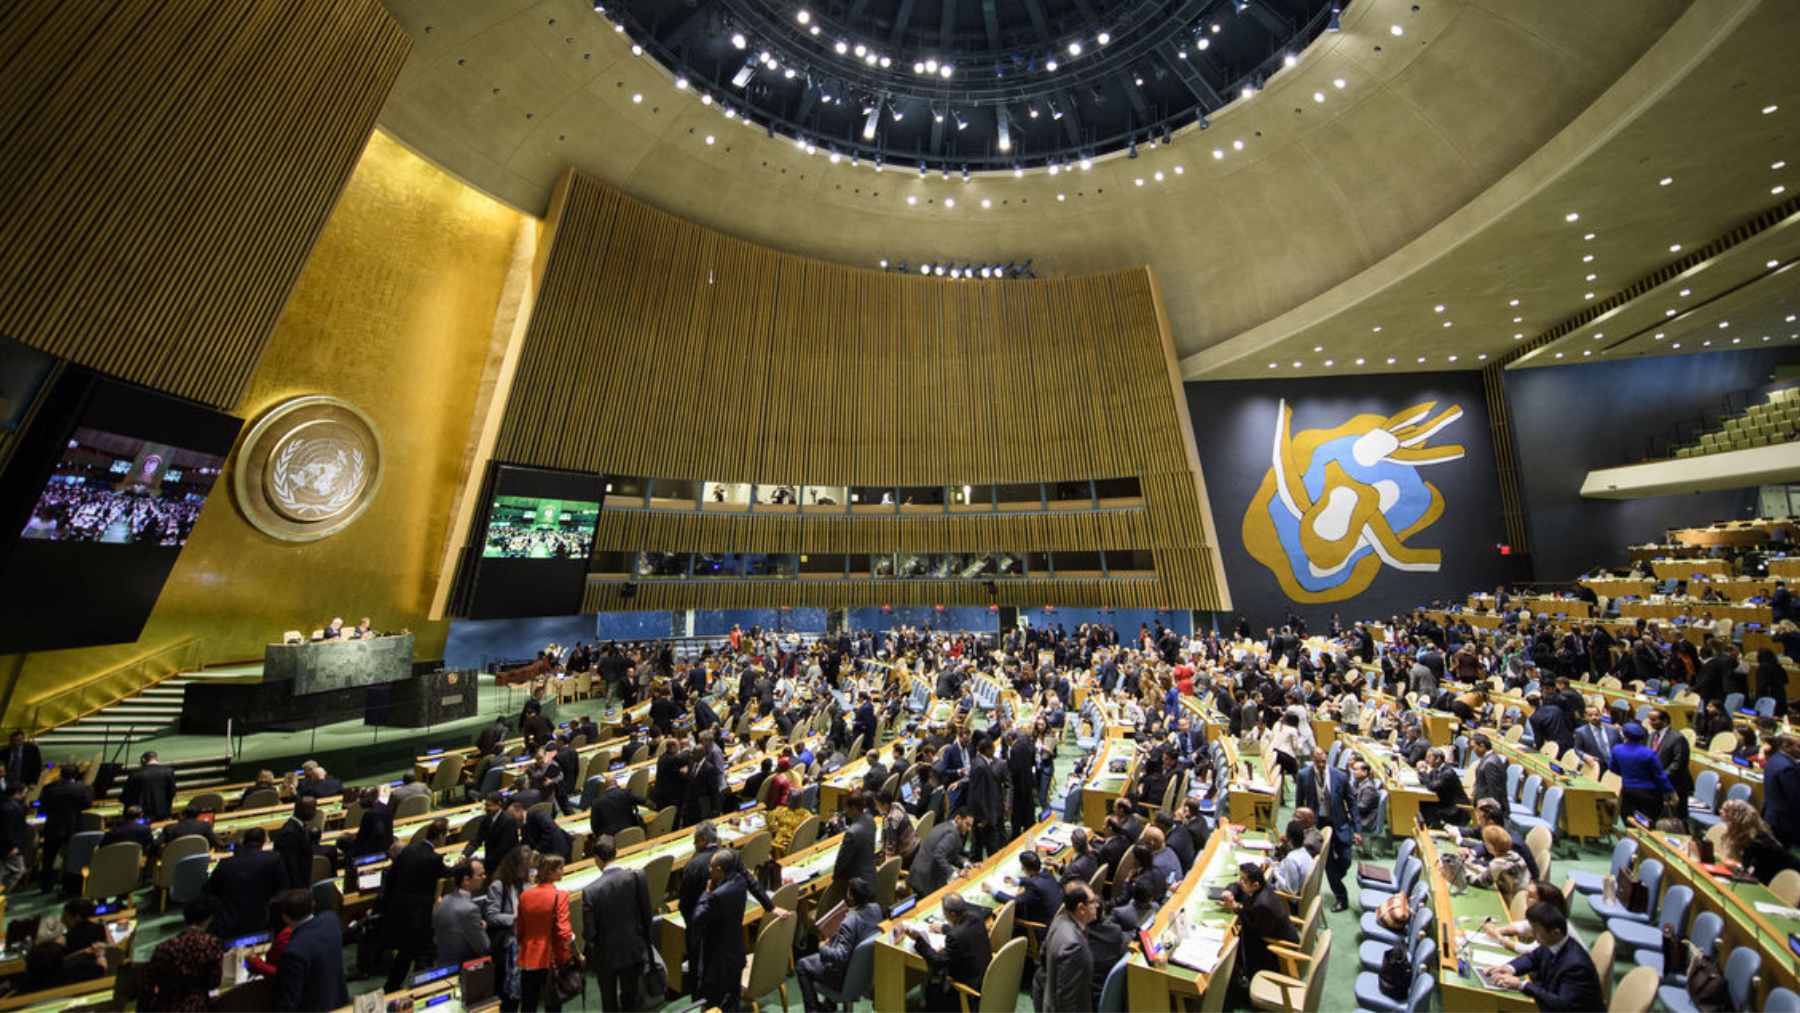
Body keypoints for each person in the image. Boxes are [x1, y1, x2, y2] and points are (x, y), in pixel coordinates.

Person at [690, 848, 774, 1010]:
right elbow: (751, 881)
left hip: (717, 962)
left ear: (720, 870)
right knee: (733, 999)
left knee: (713, 1003)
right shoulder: (740, 881)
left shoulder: (716, 896)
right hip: (736, 953)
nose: (709, 870)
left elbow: (697, 919)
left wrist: (707, 892)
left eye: (711, 868)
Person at [1483, 902, 1604, 1012]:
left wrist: (1522, 985)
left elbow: (1562, 1005)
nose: (1533, 936)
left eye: (1537, 932)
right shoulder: (1553, 943)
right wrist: (1509, 968)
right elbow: (1532, 958)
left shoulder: (1576, 965)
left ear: (1555, 932)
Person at [581, 835, 655, 1013]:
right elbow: (647, 915)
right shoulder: (637, 876)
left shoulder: (590, 891)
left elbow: (590, 933)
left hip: (606, 955)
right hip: (632, 948)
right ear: (616, 853)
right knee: (631, 998)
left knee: (609, 1002)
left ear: (596, 859)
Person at [795, 876, 883, 1013]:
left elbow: (841, 956)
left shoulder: (850, 921)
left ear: (852, 897)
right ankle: (829, 1005)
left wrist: (822, 948)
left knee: (802, 965)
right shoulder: (876, 909)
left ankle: (813, 1010)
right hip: (865, 973)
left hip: (845, 976)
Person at [382, 818, 451, 990]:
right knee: (420, 953)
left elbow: (391, 876)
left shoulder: (408, 849)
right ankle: (416, 987)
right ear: (441, 836)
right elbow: (446, 872)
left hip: (401, 910)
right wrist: (463, 867)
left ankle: (396, 987)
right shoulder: (434, 858)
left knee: (408, 953)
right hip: (420, 916)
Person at [906, 893, 990, 1011]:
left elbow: (938, 962)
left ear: (952, 914)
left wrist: (918, 940)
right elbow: (965, 933)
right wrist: (943, 928)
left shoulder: (955, 936)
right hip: (984, 973)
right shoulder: (976, 918)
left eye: (944, 912)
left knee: (932, 979)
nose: (944, 915)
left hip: (968, 986)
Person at [272, 888, 351, 1011]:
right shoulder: (331, 919)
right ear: (313, 904)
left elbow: (289, 1002)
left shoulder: (293, 952)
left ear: (285, 917)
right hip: (338, 1002)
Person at [1220, 863, 1297, 988]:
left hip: (1277, 948)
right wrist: (1228, 891)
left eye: (1243, 880)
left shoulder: (1262, 904)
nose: (1240, 882)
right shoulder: (1262, 886)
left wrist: (1236, 907)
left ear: (1255, 885)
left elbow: (1256, 929)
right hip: (1269, 931)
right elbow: (1236, 886)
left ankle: (1241, 981)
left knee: (1234, 941)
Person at [139, 898, 224, 1011]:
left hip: (166, 1006)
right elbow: (214, 982)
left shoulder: (165, 947)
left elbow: (149, 983)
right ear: (208, 919)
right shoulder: (211, 944)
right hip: (198, 1006)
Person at [205, 826, 288, 937]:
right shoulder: (274, 859)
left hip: (230, 921)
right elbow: (283, 890)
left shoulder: (225, 863)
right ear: (263, 842)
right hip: (263, 918)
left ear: (243, 841)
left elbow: (208, 891)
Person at [517, 854, 575, 1012]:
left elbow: (520, 929)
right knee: (553, 1004)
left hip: (528, 957)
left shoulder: (525, 895)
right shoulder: (560, 895)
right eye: (560, 868)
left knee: (528, 1004)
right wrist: (574, 954)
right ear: (550, 872)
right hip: (551, 958)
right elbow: (564, 933)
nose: (563, 871)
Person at [1034, 881, 1098, 1012]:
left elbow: (1043, 955)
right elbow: (1066, 998)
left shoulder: (1059, 920)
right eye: (1093, 902)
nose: (1097, 905)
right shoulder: (1074, 946)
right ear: (1081, 908)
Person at [486, 844, 534, 1012]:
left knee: (527, 992)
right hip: (507, 947)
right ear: (513, 864)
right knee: (507, 996)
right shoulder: (498, 885)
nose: (527, 869)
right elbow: (491, 916)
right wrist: (513, 918)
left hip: (525, 945)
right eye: (524, 865)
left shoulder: (526, 883)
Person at [1718, 798, 1800, 884]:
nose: (1720, 812)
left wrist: (1737, 867)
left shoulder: (1757, 842)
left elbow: (1752, 875)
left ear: (1736, 818)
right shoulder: (1748, 836)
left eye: (1726, 811)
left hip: (1791, 875)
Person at [39, 763, 93, 891]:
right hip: (74, 827)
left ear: (61, 774)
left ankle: (46, 887)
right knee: (73, 858)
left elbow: (43, 808)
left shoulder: (48, 788)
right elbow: (87, 805)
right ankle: (69, 886)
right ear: (75, 775)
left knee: (48, 859)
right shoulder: (82, 789)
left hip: (53, 827)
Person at [434, 860, 491, 966]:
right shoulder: (470, 909)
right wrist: (483, 928)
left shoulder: (445, 899)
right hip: (464, 968)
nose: (485, 877)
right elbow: (484, 947)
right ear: (466, 880)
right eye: (480, 875)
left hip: (443, 961)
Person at [827, 791, 877, 910]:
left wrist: (834, 877)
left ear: (854, 808)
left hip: (857, 885)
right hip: (871, 876)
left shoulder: (852, 833)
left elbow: (842, 860)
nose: (845, 811)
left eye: (847, 808)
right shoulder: (870, 820)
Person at [908, 807, 971, 898]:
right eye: (967, 824)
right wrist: (953, 872)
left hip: (918, 873)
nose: (969, 829)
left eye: (970, 826)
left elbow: (950, 854)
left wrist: (965, 863)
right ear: (958, 818)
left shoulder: (946, 825)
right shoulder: (952, 834)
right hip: (926, 879)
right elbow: (939, 855)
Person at [1647, 708, 1693, 819]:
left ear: (1665, 721)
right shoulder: (1652, 735)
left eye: (1654, 720)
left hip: (1674, 784)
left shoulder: (1677, 738)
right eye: (1649, 719)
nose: (1650, 722)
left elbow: (1679, 763)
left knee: (1676, 819)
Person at [120, 750, 177, 821]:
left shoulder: (135, 774)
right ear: (156, 758)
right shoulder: (169, 772)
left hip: (142, 816)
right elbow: (172, 792)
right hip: (163, 814)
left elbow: (126, 795)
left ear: (143, 760)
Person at [1766, 733, 1800, 848]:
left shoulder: (1774, 759)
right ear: (1786, 746)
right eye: (1798, 746)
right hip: (1784, 822)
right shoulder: (1787, 768)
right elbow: (1795, 797)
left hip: (1772, 816)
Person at [0, 781, 28, 890]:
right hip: (9, 846)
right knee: (18, 870)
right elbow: (8, 830)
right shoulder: (12, 808)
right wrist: (13, 846)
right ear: (17, 793)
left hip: (7, 845)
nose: (25, 795)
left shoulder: (5, 804)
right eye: (24, 792)